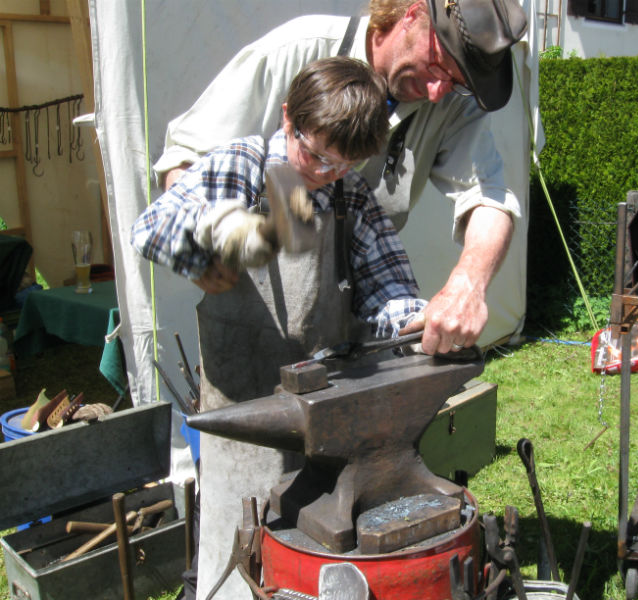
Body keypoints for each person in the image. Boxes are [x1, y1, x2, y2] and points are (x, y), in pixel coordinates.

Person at [132, 56, 427, 600]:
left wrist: (416, 319)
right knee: (235, 567)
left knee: (315, 572)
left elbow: (390, 286)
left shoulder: (349, 195)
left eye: (341, 163)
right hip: (241, 422)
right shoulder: (240, 166)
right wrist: (214, 230)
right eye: (314, 154)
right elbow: (151, 227)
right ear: (289, 117)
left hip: (329, 431)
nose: (323, 172)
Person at [154, 0, 528, 357]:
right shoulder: (298, 50)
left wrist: (468, 285)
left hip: (358, 337)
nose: (436, 93)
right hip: (248, 324)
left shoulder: (452, 100)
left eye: (455, 81)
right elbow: (187, 157)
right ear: (412, 16)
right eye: (436, 67)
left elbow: (490, 199)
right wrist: (199, 244)